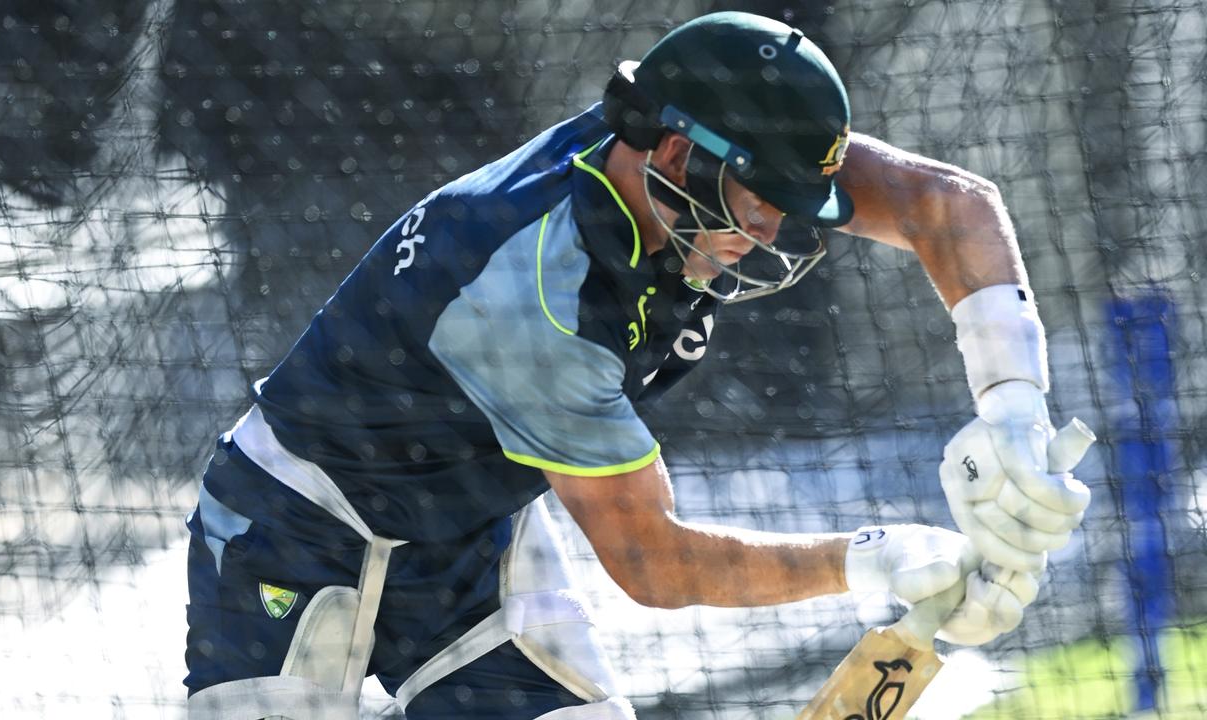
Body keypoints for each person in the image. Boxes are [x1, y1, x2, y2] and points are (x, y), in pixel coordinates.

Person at [183, 12, 1092, 720]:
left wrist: (1012, 410)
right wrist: (876, 560)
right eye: (762, 203)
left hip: (464, 537)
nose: (775, 231)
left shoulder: (679, 133)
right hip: (294, 529)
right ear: (676, 157)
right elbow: (654, 562)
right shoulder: (540, 299)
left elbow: (948, 204)